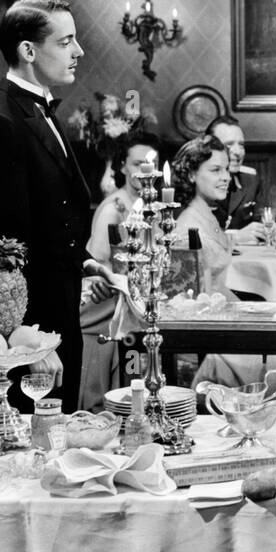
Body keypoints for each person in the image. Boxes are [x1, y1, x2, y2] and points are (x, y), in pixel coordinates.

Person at [0, 0, 101, 412]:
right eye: (66, 41)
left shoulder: (37, 105)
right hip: (33, 325)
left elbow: (45, 216)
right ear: (28, 51)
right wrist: (28, 342)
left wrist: (85, 261)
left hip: (58, 305)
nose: (78, 52)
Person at [169, 136, 276, 396]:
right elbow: (196, 303)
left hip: (232, 322)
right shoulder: (188, 227)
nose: (226, 177)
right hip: (218, 335)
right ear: (192, 175)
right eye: (215, 170)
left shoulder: (209, 215)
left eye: (226, 170)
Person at [81, 131, 163, 410]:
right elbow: (97, 265)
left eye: (149, 164)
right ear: (123, 166)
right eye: (137, 164)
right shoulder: (113, 210)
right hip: (107, 299)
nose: (144, 171)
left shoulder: (148, 206)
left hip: (135, 294)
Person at [206, 115, 266, 244]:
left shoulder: (250, 181)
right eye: (229, 145)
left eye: (241, 145)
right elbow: (186, 236)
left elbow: (265, 224)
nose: (238, 152)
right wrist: (235, 238)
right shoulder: (197, 182)